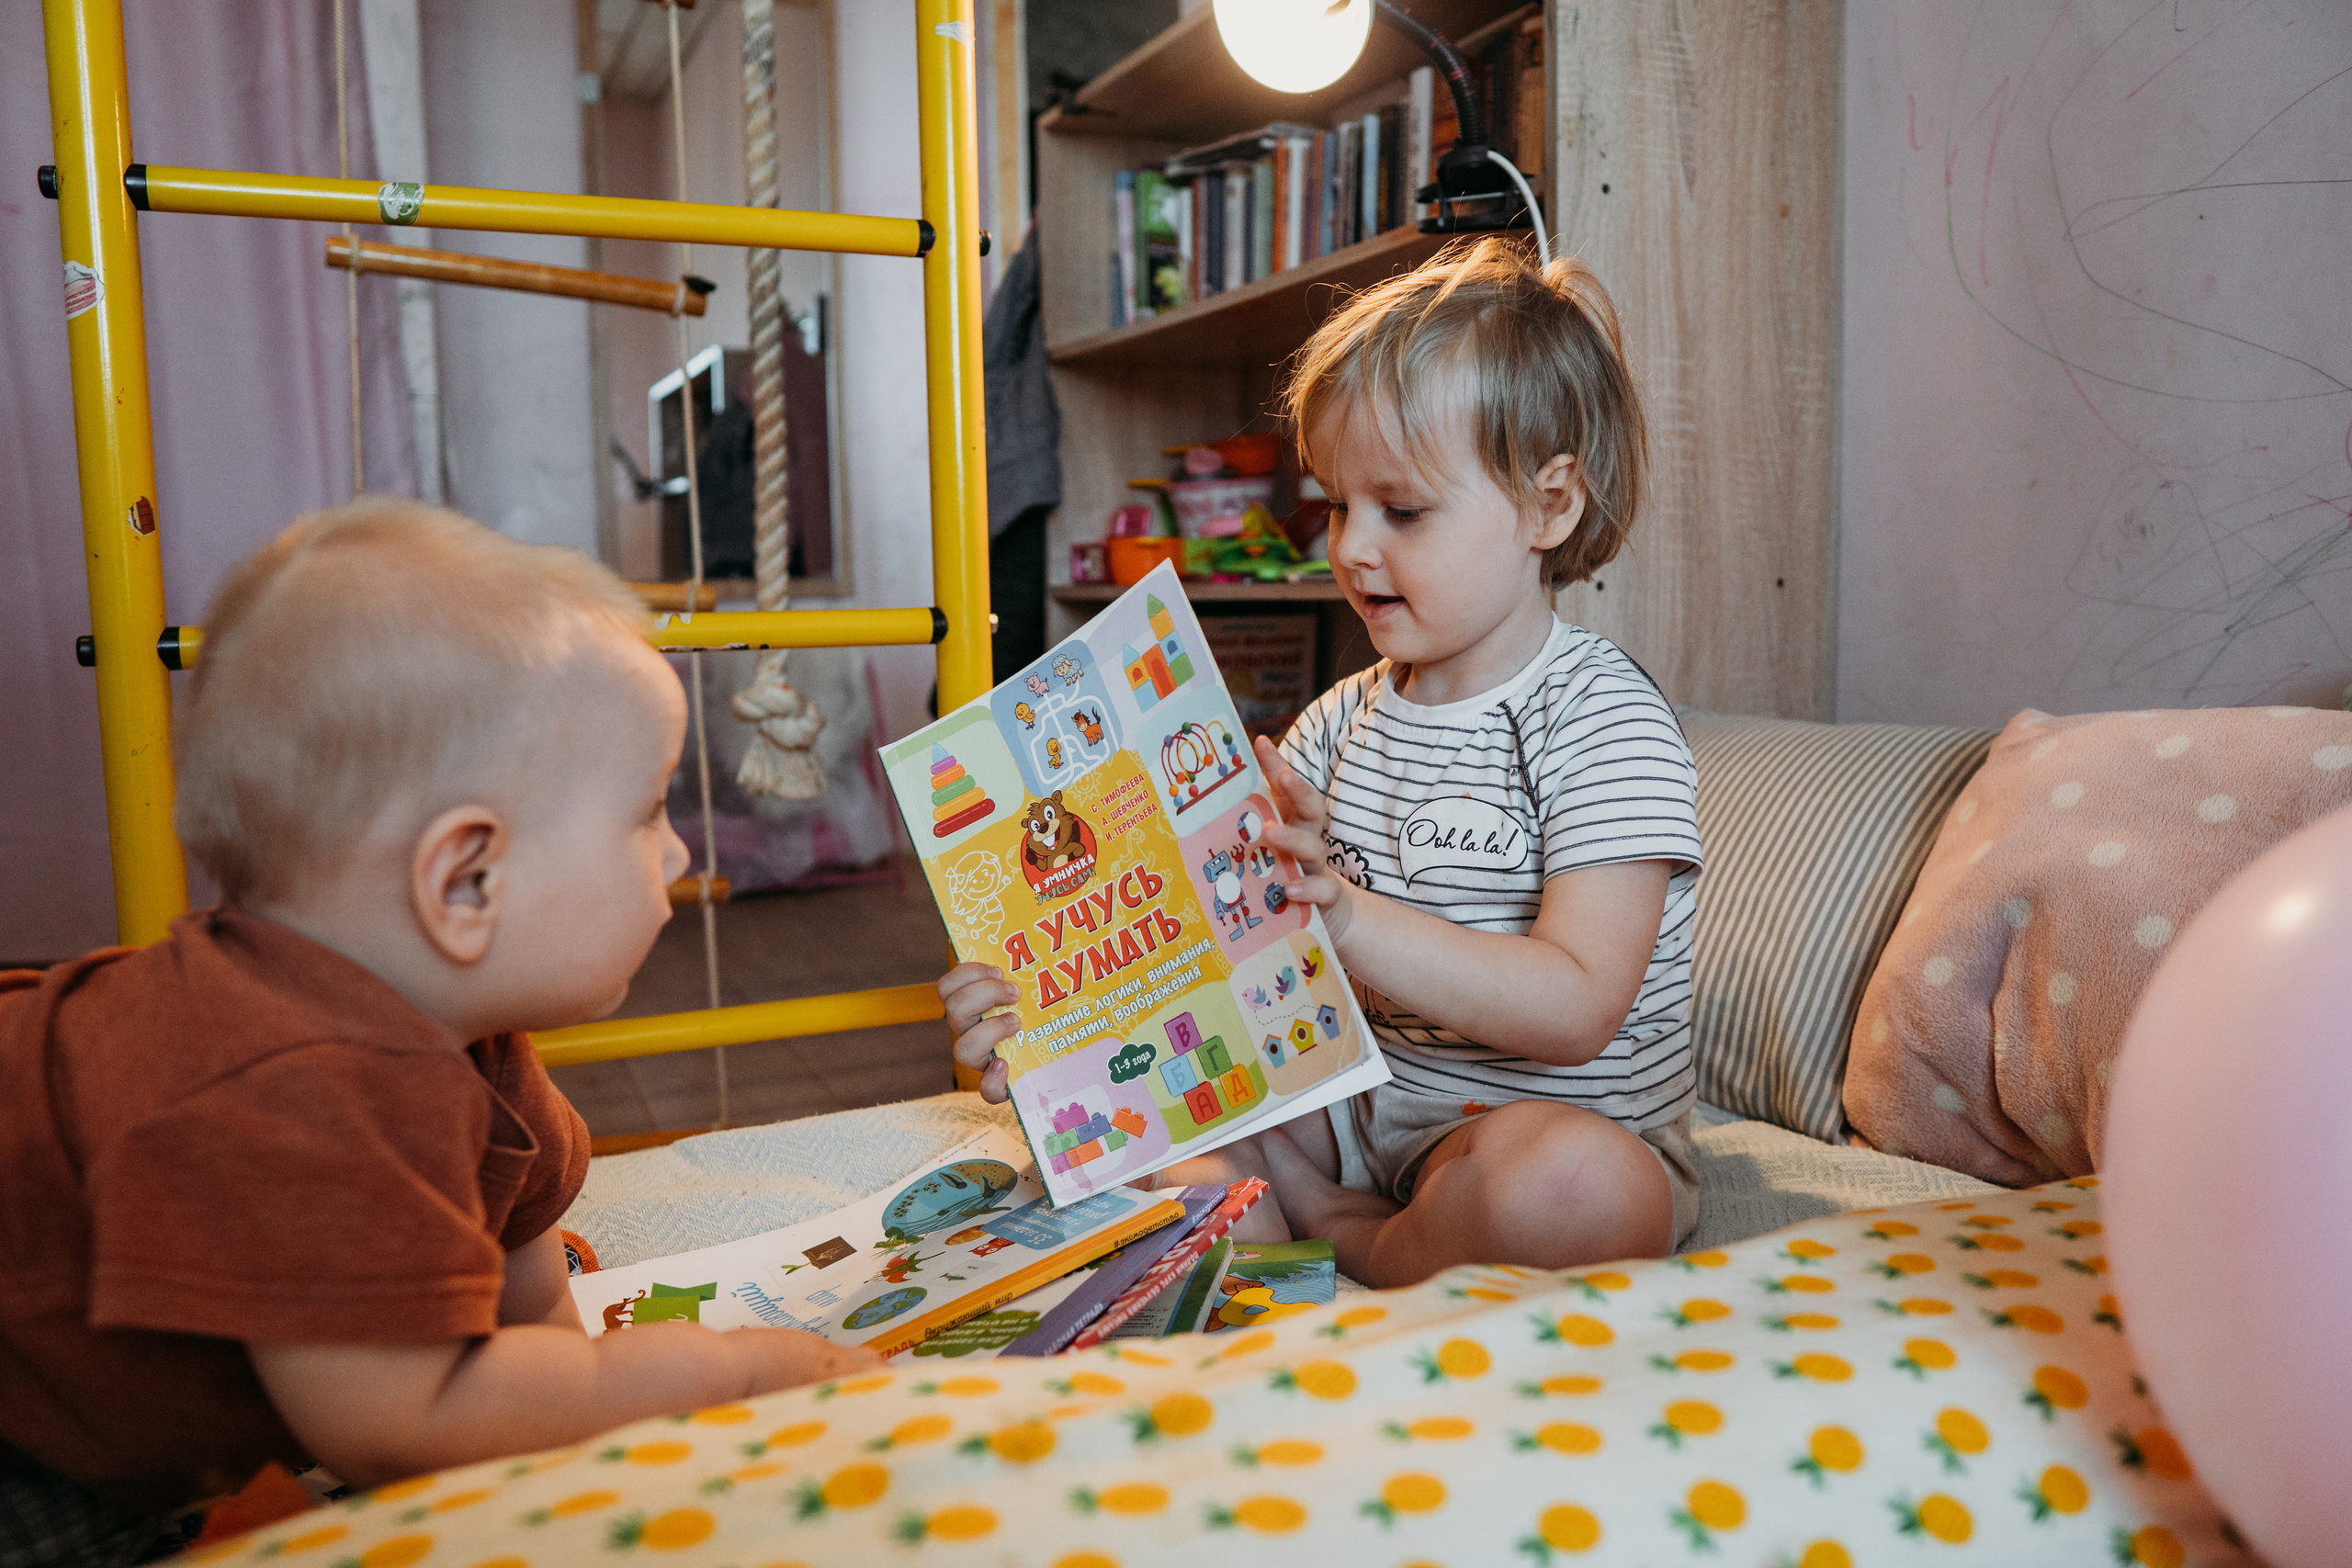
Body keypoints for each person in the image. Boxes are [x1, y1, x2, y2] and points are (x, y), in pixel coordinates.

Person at [0, 502, 873, 1565]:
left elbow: (530, 1313)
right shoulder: (293, 1089)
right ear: (467, 881)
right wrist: (718, 1377)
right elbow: (401, 1426)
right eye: (647, 813)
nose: (680, 857)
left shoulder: (472, 1042)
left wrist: (580, 1426)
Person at [941, 239, 1703, 1289]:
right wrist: (1045, 1022)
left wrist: (1345, 916)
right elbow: (1225, 954)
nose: (1348, 547)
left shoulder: (1602, 718)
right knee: (1124, 1169)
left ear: (1549, 506)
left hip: (1535, 1131)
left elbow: (1575, 1010)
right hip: (1346, 1110)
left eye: (1403, 510)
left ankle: (1348, 1237)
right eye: (1339, 504)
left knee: (1579, 1192)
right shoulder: (1336, 723)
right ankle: (1308, 1200)